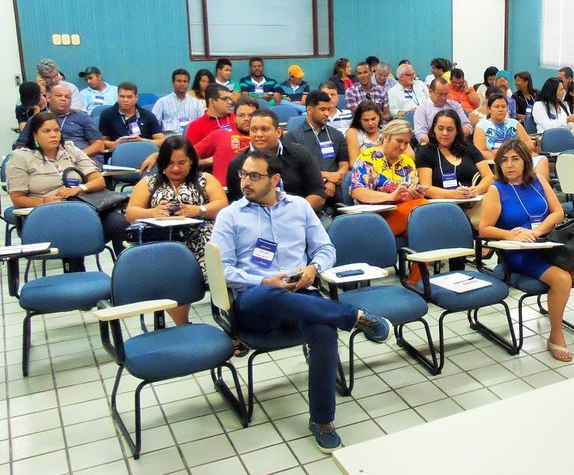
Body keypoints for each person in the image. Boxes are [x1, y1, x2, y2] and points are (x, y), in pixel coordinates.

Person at [211, 148, 392, 453]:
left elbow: (325, 249)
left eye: (255, 176)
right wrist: (262, 280)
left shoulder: (299, 207)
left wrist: (313, 268)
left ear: (275, 179)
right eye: (244, 174)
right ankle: (354, 317)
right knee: (272, 292)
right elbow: (223, 271)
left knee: (323, 330)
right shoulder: (230, 216)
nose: (246, 182)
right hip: (255, 302)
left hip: (301, 295)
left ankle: (322, 420)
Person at [479, 138, 574, 361]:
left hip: (548, 244)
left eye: (515, 159)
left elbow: (558, 212)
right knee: (562, 279)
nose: (509, 165)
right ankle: (555, 336)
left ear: (525, 161)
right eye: (504, 160)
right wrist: (513, 234)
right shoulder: (496, 190)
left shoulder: (538, 181)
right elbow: (485, 228)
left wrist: (537, 232)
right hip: (519, 253)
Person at [7, 112, 129, 271]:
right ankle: (77, 278)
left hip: (84, 209)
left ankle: (124, 273)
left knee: (120, 223)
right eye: (47, 131)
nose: (54, 135)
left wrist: (80, 188)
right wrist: (46, 202)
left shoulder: (71, 151)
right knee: (72, 229)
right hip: (46, 217)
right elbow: (17, 198)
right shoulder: (21, 158)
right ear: (34, 135)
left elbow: (98, 180)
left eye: (56, 130)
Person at [126, 135, 227, 324]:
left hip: (200, 239)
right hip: (163, 243)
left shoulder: (204, 179)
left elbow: (222, 205)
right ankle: (182, 324)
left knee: (220, 261)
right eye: (170, 163)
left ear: (191, 161)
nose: (175, 168)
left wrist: (198, 210)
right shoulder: (150, 182)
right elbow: (131, 212)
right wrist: (153, 212)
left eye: (182, 162)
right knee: (172, 267)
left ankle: (228, 323)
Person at [226, 109, 326, 209]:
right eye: (254, 130)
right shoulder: (237, 165)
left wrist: (291, 214)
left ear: (278, 132)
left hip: (300, 216)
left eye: (264, 129)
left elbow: (318, 194)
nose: (259, 134)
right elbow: (239, 205)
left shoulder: (300, 154)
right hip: (256, 219)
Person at [350, 120, 426, 236]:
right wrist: (391, 196)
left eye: (406, 143)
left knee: (424, 206)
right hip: (374, 217)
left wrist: (416, 194)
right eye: (399, 141)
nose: (402, 147)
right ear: (386, 137)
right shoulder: (368, 157)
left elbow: (413, 191)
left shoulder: (408, 163)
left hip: (405, 212)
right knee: (423, 212)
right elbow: (357, 191)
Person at [284, 90, 349, 208]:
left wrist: (332, 181)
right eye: (322, 109)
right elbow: (294, 171)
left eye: (328, 109)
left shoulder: (336, 135)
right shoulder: (293, 137)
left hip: (336, 192)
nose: (327, 114)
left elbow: (344, 165)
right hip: (307, 192)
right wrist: (326, 176)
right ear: (309, 110)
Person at [416, 109, 493, 200]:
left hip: (473, 200)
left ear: (457, 131)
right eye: (440, 128)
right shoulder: (425, 152)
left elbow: (489, 176)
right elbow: (426, 188)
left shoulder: (468, 147)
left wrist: (474, 191)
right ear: (434, 129)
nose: (445, 133)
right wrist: (453, 194)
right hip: (443, 205)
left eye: (450, 129)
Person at [15, 84, 104, 161]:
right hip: (44, 161)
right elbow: (20, 146)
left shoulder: (82, 116)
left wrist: (78, 155)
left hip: (80, 159)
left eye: (67, 97)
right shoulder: (37, 118)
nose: (63, 99)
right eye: (59, 95)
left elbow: (98, 145)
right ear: (49, 98)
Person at [194, 97, 257, 184]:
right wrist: (207, 161)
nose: (246, 119)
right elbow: (188, 154)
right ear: (234, 118)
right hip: (222, 192)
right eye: (241, 115)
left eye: (250, 115)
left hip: (255, 191)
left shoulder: (264, 139)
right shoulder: (219, 135)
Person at [99, 81, 164, 149]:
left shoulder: (148, 115)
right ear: (117, 96)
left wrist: (143, 141)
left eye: (129, 97)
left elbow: (161, 141)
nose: (125, 100)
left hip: (144, 152)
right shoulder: (107, 114)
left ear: (136, 97)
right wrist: (115, 144)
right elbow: (101, 142)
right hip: (119, 154)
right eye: (122, 96)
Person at [474, 92, 536, 158]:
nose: (500, 109)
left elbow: (530, 144)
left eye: (503, 106)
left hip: (517, 158)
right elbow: (479, 152)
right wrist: (502, 157)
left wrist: (508, 151)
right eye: (497, 107)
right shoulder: (481, 126)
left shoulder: (514, 123)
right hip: (493, 162)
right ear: (489, 109)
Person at [413, 78, 472, 143]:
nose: (443, 97)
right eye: (440, 94)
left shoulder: (455, 106)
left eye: (446, 94)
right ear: (430, 92)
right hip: (433, 146)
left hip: (456, 144)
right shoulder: (422, 109)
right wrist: (442, 144)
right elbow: (421, 136)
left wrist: (453, 139)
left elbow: (467, 127)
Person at [152, 68, 205, 135]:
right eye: (179, 81)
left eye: (185, 81)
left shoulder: (197, 103)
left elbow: (202, 124)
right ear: (173, 83)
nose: (182, 84)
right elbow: (153, 124)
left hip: (190, 137)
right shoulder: (162, 102)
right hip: (170, 138)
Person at [345, 100, 384, 165]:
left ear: (379, 117)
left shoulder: (387, 131)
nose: (370, 123)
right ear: (359, 120)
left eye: (373, 119)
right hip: (364, 171)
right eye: (366, 120)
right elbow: (354, 163)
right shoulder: (353, 132)